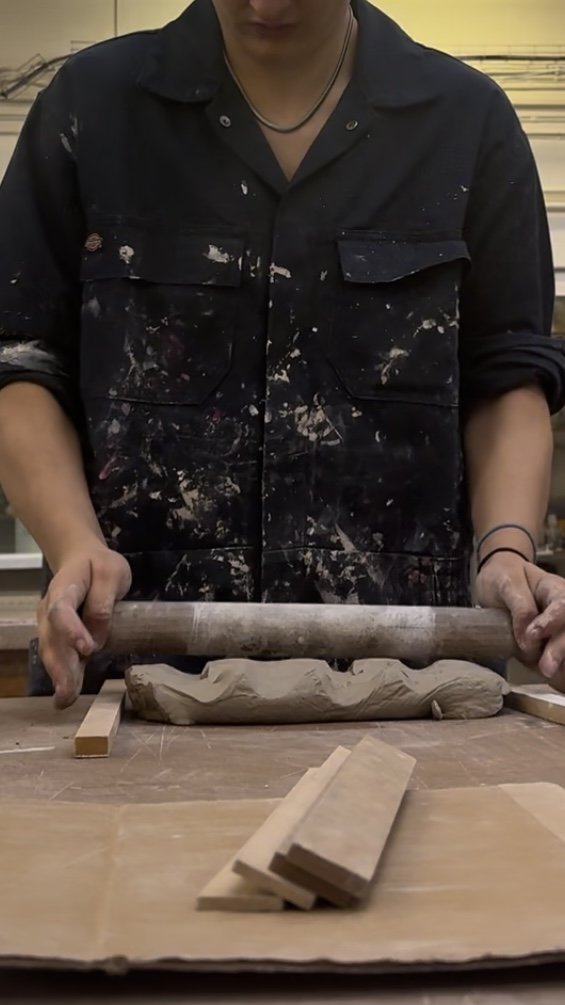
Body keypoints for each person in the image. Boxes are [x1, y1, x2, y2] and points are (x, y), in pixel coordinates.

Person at [0, 0, 565, 707]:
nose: (267, 4)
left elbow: (506, 375)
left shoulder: (466, 123)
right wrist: (74, 541)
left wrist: (505, 551)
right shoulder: (89, 108)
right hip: (127, 680)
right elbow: (21, 363)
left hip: (413, 689)